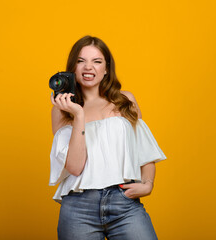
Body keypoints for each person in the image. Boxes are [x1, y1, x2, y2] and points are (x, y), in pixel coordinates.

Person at [49, 35, 167, 240]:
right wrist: (78, 115)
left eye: (97, 61)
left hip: (124, 203)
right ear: (72, 68)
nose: (88, 67)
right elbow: (75, 167)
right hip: (79, 208)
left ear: (106, 69)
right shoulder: (61, 111)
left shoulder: (125, 100)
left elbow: (144, 150)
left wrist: (148, 184)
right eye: (81, 61)